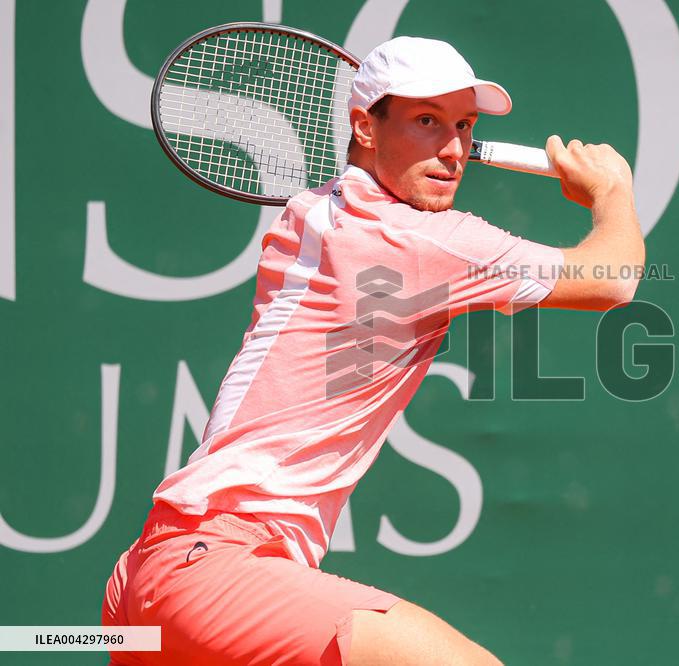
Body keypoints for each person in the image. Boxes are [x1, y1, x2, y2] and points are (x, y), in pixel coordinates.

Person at [101, 35, 644, 665]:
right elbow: (613, 277)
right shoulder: (414, 241)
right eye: (425, 121)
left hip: (151, 582)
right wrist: (614, 194)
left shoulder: (320, 213)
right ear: (364, 126)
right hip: (216, 572)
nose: (453, 149)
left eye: (463, 126)